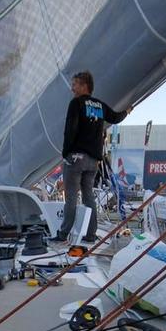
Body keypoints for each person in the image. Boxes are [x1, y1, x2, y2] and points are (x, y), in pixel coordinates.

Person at [51, 71, 128, 244]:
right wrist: (128, 110)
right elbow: (115, 118)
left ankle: (63, 235)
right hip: (93, 161)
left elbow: (70, 129)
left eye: (75, 84)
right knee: (88, 197)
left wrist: (65, 153)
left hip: (76, 158)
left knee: (70, 197)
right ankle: (91, 234)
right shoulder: (100, 105)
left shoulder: (76, 103)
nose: (72, 88)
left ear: (84, 85)